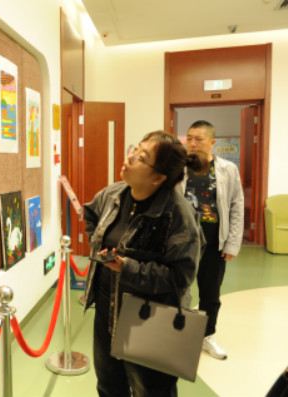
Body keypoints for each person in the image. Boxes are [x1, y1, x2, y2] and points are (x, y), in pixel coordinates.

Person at [82, 130, 207, 397]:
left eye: (142, 156)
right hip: (107, 312)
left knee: (150, 391)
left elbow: (180, 277)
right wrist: (97, 242)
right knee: (108, 387)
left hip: (151, 321)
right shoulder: (113, 194)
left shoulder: (177, 214)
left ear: (158, 177)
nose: (130, 156)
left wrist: (127, 267)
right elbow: (90, 213)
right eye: (134, 149)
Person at [180, 120, 244, 360]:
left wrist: (232, 244)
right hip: (182, 243)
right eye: (189, 138)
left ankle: (207, 335)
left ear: (212, 142)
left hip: (214, 243)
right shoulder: (179, 168)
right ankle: (178, 333)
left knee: (210, 294)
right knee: (178, 290)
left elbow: (237, 206)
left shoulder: (227, 169)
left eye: (199, 139)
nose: (193, 143)